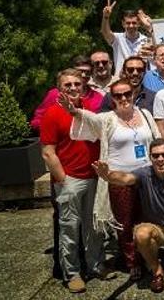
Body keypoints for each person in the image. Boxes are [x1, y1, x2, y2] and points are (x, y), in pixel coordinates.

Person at [63, 79, 161, 280]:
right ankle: (132, 262)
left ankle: (149, 257)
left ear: (133, 93)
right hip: (118, 179)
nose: (123, 98)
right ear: (112, 98)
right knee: (124, 223)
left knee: (147, 220)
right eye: (118, 95)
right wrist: (74, 111)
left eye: (127, 93)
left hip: (146, 178)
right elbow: (89, 118)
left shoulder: (145, 114)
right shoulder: (108, 118)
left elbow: (157, 138)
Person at [92, 139, 164, 293]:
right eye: (155, 155)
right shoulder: (144, 173)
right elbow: (125, 178)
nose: (160, 159)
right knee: (141, 234)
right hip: (154, 226)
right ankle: (156, 270)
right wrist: (108, 175)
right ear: (150, 157)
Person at [40, 69, 113, 293]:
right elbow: (48, 152)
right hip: (70, 179)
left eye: (76, 84)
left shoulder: (89, 110)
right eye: (67, 85)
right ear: (59, 88)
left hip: (93, 176)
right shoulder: (52, 114)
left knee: (94, 226)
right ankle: (72, 274)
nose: (72, 88)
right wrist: (63, 180)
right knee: (69, 229)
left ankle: (96, 265)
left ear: (83, 86)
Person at [100, 0, 154, 75]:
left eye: (134, 23)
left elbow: (157, 48)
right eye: (128, 23)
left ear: (139, 23)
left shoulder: (146, 40)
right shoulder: (117, 38)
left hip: (140, 80)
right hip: (122, 80)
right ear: (123, 24)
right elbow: (105, 32)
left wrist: (150, 26)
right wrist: (105, 17)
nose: (131, 26)